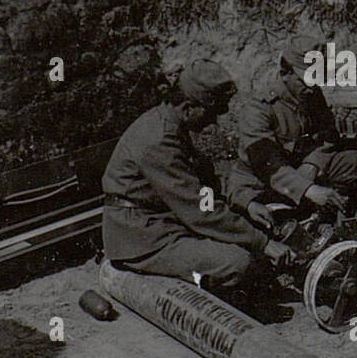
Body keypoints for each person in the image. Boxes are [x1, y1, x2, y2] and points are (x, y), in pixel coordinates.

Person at [100, 59, 291, 297]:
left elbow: (207, 185)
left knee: (244, 239)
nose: (213, 121)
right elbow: (199, 211)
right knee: (236, 262)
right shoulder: (159, 141)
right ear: (189, 107)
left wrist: (247, 204)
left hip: (159, 222)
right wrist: (262, 243)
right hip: (141, 238)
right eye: (210, 113)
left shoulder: (169, 125)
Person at [225, 35, 357, 217]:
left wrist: (313, 164)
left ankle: (323, 211)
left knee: (352, 161)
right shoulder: (259, 107)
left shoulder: (311, 95)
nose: (313, 87)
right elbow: (267, 164)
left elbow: (328, 136)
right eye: (307, 80)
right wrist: (308, 189)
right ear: (285, 72)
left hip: (301, 172)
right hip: (263, 181)